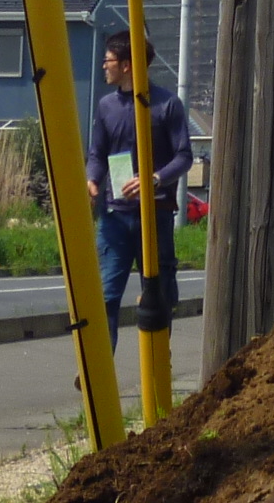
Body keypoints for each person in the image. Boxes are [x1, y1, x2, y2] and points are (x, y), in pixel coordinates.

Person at [85, 30, 194, 348]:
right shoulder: (106, 106)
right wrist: (92, 178)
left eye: (108, 60)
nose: (104, 66)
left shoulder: (166, 105)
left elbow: (184, 156)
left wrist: (154, 179)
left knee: (160, 293)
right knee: (105, 292)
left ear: (128, 64)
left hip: (155, 216)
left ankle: (160, 364)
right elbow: (97, 154)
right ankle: (101, 365)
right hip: (115, 217)